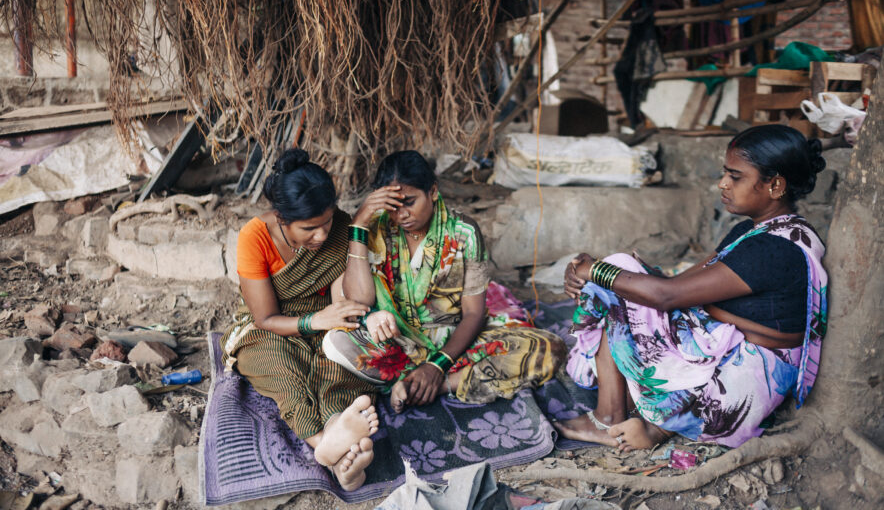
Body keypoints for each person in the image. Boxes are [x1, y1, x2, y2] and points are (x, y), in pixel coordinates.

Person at [555, 125, 828, 450]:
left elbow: (667, 296)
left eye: (735, 177)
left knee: (617, 282)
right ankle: (646, 420)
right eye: (725, 174)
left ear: (775, 185)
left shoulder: (775, 249)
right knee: (621, 278)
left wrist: (594, 270)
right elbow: (676, 284)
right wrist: (597, 271)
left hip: (733, 393)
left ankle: (612, 417)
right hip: (729, 361)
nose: (722, 184)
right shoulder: (758, 230)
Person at [323, 150, 566, 412]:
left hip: (452, 342)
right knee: (336, 343)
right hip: (398, 342)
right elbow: (359, 300)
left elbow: (473, 314)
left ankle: (435, 384)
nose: (401, 214)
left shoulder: (464, 233)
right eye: (393, 207)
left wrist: (436, 366)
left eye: (409, 202)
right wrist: (359, 224)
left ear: (433, 192)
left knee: (548, 349)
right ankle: (418, 381)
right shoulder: (376, 229)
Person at [219, 149, 379, 491]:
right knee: (285, 370)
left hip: (326, 316)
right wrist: (314, 321)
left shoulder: (339, 227)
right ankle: (330, 450)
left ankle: (339, 428)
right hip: (270, 329)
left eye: (327, 222)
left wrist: (358, 228)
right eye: (309, 228)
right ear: (281, 217)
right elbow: (264, 318)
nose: (322, 235)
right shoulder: (255, 237)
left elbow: (354, 299)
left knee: (339, 365)